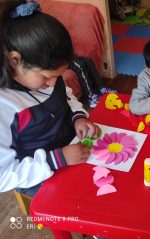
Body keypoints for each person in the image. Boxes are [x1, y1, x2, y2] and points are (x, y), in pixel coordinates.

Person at [0, 0, 100, 196]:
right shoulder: (5, 106)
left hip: (72, 149)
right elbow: (3, 176)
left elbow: (65, 96)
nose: (53, 83)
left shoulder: (48, 79)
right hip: (40, 174)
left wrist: (78, 116)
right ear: (15, 60)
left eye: (58, 75)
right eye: (47, 76)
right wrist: (57, 159)